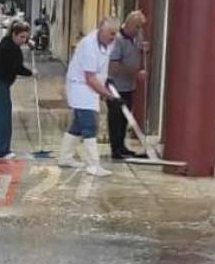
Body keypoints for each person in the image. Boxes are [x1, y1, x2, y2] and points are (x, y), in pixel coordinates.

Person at [58, 17, 122, 177]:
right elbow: (90, 78)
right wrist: (108, 95)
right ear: (100, 29)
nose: (112, 37)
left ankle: (65, 158)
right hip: (80, 86)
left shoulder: (109, 42)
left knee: (78, 126)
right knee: (90, 125)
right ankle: (94, 165)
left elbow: (102, 67)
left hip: (91, 87)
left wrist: (106, 82)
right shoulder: (88, 45)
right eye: (110, 33)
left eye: (115, 34)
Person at [0, 21, 34, 159]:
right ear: (14, 34)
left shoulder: (9, 41)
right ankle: (2, 150)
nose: (23, 40)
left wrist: (28, 42)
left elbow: (20, 41)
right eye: (22, 37)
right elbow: (17, 68)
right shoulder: (9, 48)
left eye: (26, 37)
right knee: (3, 116)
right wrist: (31, 73)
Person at [106, 10, 148, 159]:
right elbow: (114, 66)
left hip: (129, 86)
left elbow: (138, 51)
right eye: (137, 27)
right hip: (115, 86)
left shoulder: (137, 36)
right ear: (129, 24)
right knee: (116, 118)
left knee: (125, 119)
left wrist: (143, 49)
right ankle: (115, 149)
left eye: (140, 27)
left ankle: (122, 147)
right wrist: (135, 73)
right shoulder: (117, 40)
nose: (139, 30)